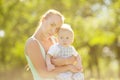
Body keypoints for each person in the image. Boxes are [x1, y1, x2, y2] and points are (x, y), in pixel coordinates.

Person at [24, 9, 81, 80]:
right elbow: (43, 73)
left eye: (57, 29)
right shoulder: (32, 43)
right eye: (52, 25)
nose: (53, 31)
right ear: (43, 20)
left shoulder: (56, 40)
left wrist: (64, 62)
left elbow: (73, 58)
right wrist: (67, 67)